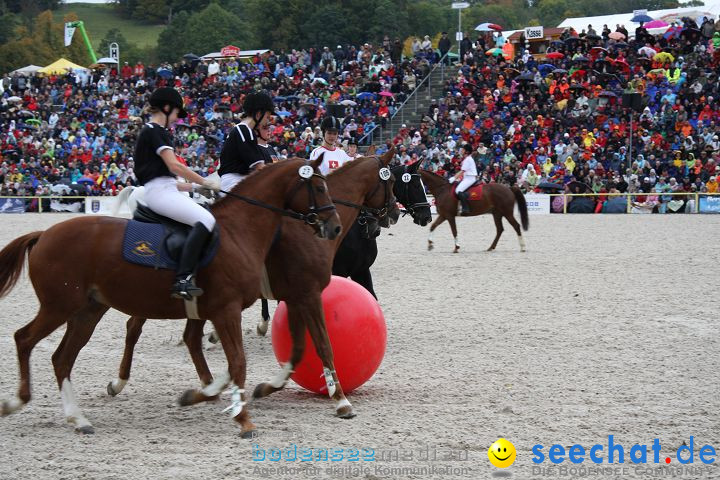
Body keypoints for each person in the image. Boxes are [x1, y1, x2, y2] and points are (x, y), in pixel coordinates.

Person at [134, 87, 220, 300]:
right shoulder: (155, 130)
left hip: (164, 189)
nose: (175, 120)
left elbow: (172, 182)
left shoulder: (153, 131)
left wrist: (197, 188)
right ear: (166, 108)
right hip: (158, 193)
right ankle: (182, 279)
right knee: (206, 219)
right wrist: (203, 180)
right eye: (174, 114)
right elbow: (175, 167)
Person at [219, 92, 275, 192]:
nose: (267, 121)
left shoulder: (244, 130)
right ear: (258, 114)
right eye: (267, 117)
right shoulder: (244, 130)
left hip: (239, 179)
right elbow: (260, 167)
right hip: (234, 181)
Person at [454, 143, 478, 214]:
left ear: (466, 152)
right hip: (466, 177)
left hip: (470, 178)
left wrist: (453, 178)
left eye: (463, 149)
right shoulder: (466, 159)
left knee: (458, 190)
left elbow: (462, 171)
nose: (461, 150)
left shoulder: (468, 159)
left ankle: (465, 208)